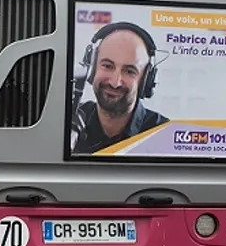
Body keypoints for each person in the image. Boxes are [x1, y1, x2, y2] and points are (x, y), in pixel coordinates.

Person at [72, 23, 169, 155]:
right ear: (92, 68)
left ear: (146, 80)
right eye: (107, 66)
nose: (115, 82)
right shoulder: (70, 122)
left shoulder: (163, 135)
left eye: (129, 71)